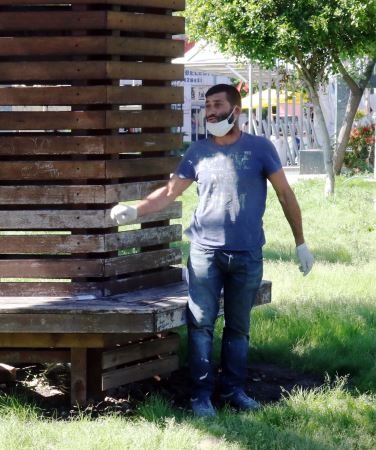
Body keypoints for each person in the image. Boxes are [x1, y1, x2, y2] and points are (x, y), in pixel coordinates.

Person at [110, 84, 314, 416]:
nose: (210, 111)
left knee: (238, 327)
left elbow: (285, 195)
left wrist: (300, 242)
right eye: (206, 105)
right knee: (201, 324)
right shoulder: (198, 152)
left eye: (217, 104)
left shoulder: (260, 148)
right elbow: (169, 192)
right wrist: (136, 210)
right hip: (205, 253)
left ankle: (233, 391)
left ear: (236, 111)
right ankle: (200, 396)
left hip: (248, 254)